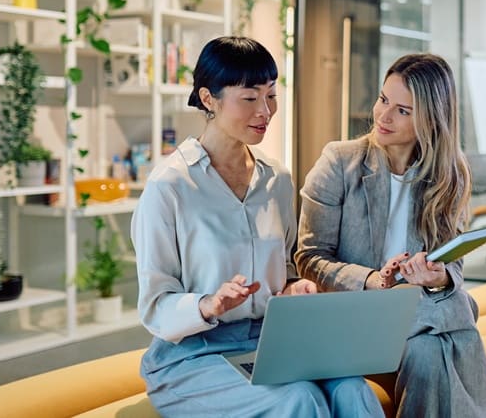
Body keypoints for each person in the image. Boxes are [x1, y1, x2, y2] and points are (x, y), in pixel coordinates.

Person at [131, 37, 381, 418]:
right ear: (209, 98)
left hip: (268, 343)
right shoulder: (169, 186)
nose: (265, 111)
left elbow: (283, 272)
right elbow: (154, 305)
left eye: (271, 96)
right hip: (191, 356)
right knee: (299, 399)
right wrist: (208, 304)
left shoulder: (276, 180)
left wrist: (293, 288)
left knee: (353, 390)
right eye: (249, 98)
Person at [296, 53, 486, 418]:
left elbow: (452, 268)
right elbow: (308, 258)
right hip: (356, 310)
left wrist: (437, 278)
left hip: (414, 315)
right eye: (383, 99)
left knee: (429, 351)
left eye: (402, 110)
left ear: (431, 119)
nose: (383, 116)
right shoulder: (339, 162)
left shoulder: (449, 176)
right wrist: (372, 279)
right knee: (458, 312)